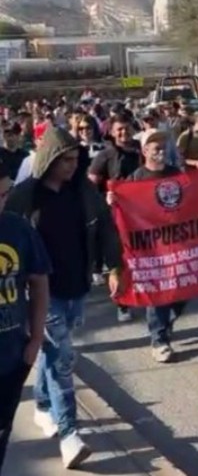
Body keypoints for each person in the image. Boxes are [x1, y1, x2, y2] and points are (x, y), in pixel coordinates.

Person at [5, 127, 123, 469]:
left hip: (78, 286)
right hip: (41, 291)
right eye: (65, 159)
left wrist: (115, 267)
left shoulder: (83, 192)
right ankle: (70, 436)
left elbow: (105, 225)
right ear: (50, 159)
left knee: (52, 351)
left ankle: (42, 404)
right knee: (61, 358)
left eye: (75, 159)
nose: (72, 166)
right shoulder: (25, 196)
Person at [109, 129, 188, 363]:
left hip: (175, 243)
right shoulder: (135, 179)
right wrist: (114, 200)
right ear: (145, 151)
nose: (161, 150)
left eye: (163, 145)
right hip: (150, 248)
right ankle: (159, 339)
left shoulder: (176, 174)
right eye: (155, 146)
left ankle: (166, 320)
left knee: (181, 291)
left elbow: (192, 200)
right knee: (157, 292)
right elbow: (121, 207)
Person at [0, 163, 50, 474]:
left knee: (2, 427)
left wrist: (34, 339)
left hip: (11, 355)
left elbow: (39, 282)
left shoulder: (18, 229)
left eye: (5, 194)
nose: (2, 200)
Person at [89, 114, 142, 322]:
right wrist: (105, 198)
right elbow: (91, 185)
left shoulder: (143, 151)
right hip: (116, 217)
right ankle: (122, 303)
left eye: (127, 128)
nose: (124, 133)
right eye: (119, 129)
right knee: (118, 261)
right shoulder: (105, 156)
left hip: (142, 215)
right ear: (111, 132)